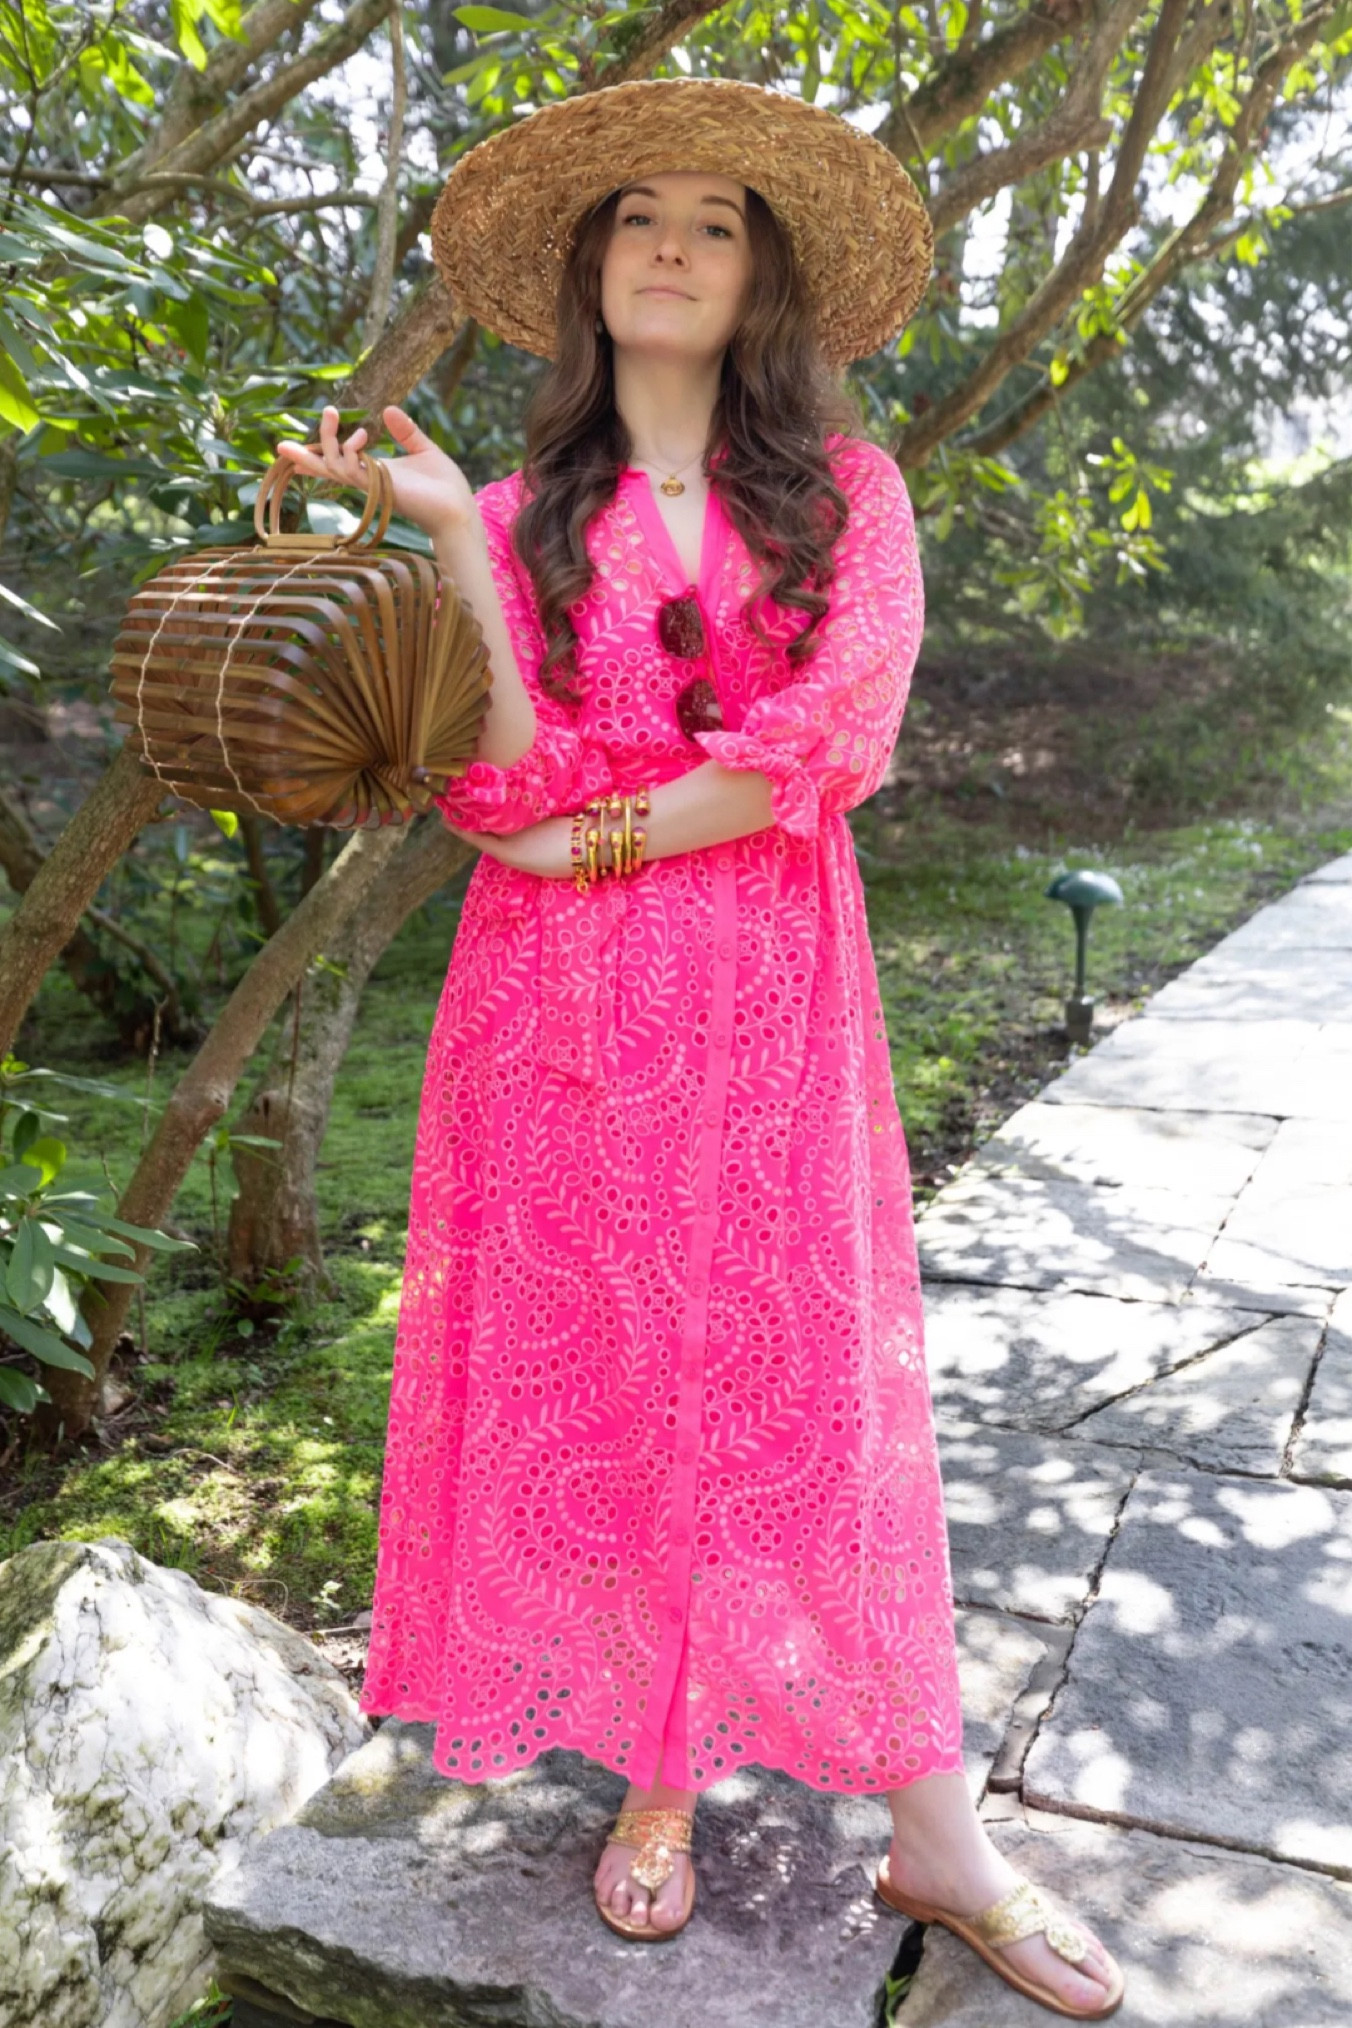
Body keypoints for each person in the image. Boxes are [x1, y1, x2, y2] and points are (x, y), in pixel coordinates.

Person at [278, 75, 1125, 2021]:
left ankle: (936, 1829)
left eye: (714, 220)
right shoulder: (505, 515)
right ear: (588, 270)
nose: (668, 241)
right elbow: (489, 790)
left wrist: (601, 833)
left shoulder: (848, 497)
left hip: (759, 997)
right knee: (607, 1376)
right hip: (551, 1024)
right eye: (635, 215)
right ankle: (656, 1773)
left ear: (761, 281)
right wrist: (444, 552)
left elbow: (829, 743)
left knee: (789, 1381)